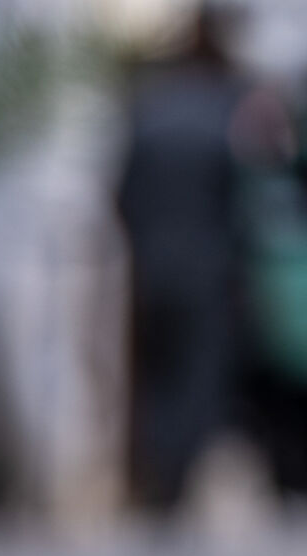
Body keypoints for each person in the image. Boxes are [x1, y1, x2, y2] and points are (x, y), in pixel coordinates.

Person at [117, 5, 251, 514]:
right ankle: (176, 478)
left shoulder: (150, 106)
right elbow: (239, 202)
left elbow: (122, 191)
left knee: (154, 372)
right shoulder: (225, 111)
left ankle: (155, 477)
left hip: (149, 263)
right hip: (207, 266)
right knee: (197, 375)